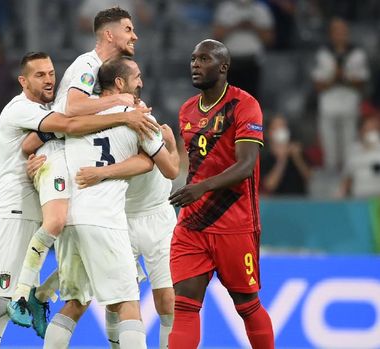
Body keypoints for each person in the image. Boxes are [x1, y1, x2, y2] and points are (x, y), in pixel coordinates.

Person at [0, 51, 156, 349]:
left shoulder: (49, 110)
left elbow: (52, 135)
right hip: (13, 210)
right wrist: (123, 109)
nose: (49, 79)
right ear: (23, 80)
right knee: (2, 300)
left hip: (35, 209)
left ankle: (36, 295)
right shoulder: (21, 109)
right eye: (40, 75)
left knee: (2, 310)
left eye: (51, 73)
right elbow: (65, 126)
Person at [6, 6, 144, 335]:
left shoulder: (112, 72)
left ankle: (40, 293)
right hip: (55, 153)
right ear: (109, 34)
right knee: (58, 222)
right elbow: (73, 109)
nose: (134, 35)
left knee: (80, 275)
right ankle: (22, 295)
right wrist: (121, 105)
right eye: (127, 29)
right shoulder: (87, 65)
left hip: (75, 164)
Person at [40, 56, 178, 349]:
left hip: (74, 218)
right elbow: (170, 168)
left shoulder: (75, 124)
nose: (141, 82)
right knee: (127, 303)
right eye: (137, 76)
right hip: (110, 218)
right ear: (119, 83)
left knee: (78, 302)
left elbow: (36, 143)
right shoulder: (138, 117)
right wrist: (173, 146)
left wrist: (35, 163)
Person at [168, 39, 274, 349]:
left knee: (247, 305)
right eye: (193, 58)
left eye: (203, 59)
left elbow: (245, 166)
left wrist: (200, 188)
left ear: (223, 67)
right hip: (193, 225)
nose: (195, 64)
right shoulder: (187, 110)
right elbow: (193, 165)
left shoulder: (244, 105)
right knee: (185, 306)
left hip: (235, 222)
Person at [311, 17, 369, 172]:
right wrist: (334, 77)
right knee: (330, 152)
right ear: (331, 34)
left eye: (343, 31)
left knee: (349, 149)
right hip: (328, 106)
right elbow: (318, 85)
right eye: (337, 31)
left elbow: (362, 82)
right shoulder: (323, 53)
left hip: (349, 105)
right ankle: (332, 189)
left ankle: (348, 187)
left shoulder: (357, 53)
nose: (340, 34)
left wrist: (343, 76)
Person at [213, 0, 274, 99]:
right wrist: (235, 26)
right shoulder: (225, 8)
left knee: (250, 100)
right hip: (230, 64)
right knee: (229, 100)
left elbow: (269, 39)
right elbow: (216, 35)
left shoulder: (261, 9)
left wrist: (253, 26)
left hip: (252, 63)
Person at [260, 114, 311, 196]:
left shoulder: (298, 152)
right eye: (276, 127)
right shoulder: (264, 157)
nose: (281, 130)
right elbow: (270, 185)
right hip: (278, 204)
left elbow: (309, 178)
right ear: (269, 132)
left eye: (283, 126)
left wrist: (297, 157)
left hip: (300, 202)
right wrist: (282, 159)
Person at [339, 116, 380, 198]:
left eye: (374, 129)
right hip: (359, 196)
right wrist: (340, 194)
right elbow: (348, 175)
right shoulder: (353, 150)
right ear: (361, 131)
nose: (371, 133)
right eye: (368, 129)